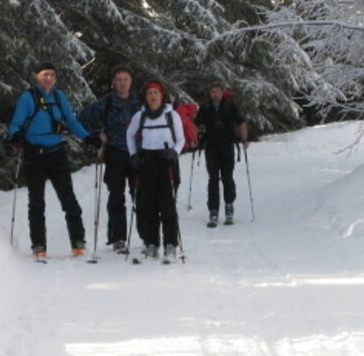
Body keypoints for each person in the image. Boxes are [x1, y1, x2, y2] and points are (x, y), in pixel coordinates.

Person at [7, 62, 103, 260]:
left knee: (68, 198)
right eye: (45, 74)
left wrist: (87, 137)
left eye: (52, 74)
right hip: (34, 155)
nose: (49, 78)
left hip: (56, 152)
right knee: (36, 202)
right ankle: (39, 245)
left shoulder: (59, 97)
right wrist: (16, 137)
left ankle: (78, 242)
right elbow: (15, 123)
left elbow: (71, 121)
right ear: (36, 76)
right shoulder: (28, 98)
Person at [78, 64, 142, 253]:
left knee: (140, 195)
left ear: (131, 82)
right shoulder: (106, 102)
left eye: (126, 79)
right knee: (116, 196)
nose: (122, 83)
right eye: (119, 79)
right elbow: (81, 118)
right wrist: (97, 135)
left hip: (137, 153)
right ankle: (118, 238)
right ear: (113, 82)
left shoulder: (140, 101)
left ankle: (148, 236)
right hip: (115, 152)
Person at [126, 81, 185, 261]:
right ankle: (152, 243)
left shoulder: (171, 115)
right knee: (147, 205)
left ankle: (170, 245)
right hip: (146, 162)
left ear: (162, 95)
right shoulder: (140, 116)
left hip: (166, 161)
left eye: (156, 93)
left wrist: (174, 152)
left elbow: (181, 139)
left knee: (167, 204)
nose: (153, 96)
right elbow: (129, 135)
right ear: (146, 96)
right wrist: (133, 155)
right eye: (150, 93)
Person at [193, 82, 248, 227]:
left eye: (217, 91)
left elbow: (241, 122)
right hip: (211, 148)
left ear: (222, 93)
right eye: (213, 92)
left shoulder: (230, 106)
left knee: (227, 177)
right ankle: (213, 210)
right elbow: (196, 124)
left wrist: (244, 139)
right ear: (210, 94)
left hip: (227, 146)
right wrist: (193, 138)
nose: (215, 94)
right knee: (213, 179)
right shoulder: (205, 108)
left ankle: (229, 205)